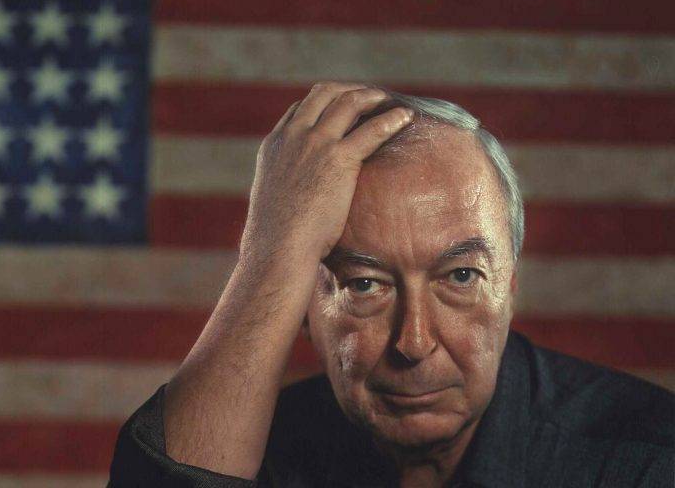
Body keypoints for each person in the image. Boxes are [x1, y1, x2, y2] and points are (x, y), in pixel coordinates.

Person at [108, 83, 674, 487]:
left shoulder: (645, 462)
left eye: (460, 277)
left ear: (509, 288)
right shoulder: (264, 450)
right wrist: (273, 249)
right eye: (364, 285)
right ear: (301, 307)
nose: (414, 342)